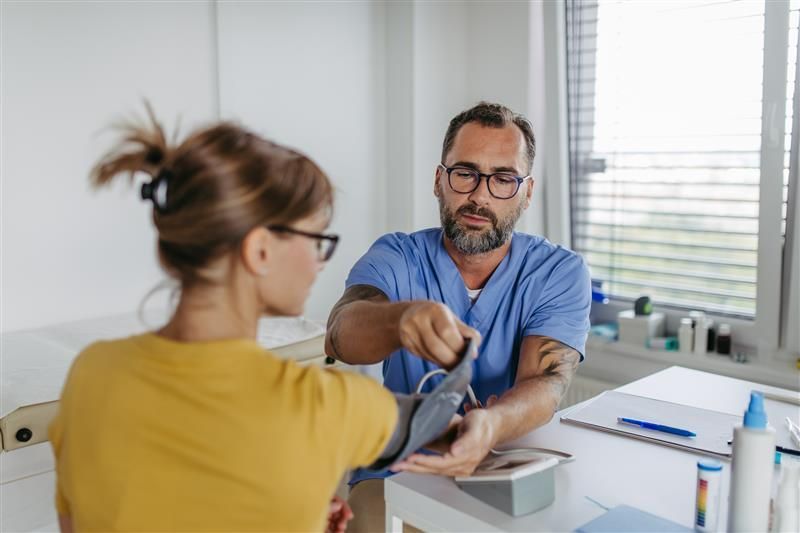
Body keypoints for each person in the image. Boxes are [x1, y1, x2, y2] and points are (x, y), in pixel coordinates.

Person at [48, 108, 401, 532]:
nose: (319, 263)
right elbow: (437, 426)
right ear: (260, 251)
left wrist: (295, 507)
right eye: (317, 240)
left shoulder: (91, 373)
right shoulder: (323, 405)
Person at [326, 101, 592, 531]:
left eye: (503, 179)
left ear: (527, 191)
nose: (480, 195)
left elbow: (545, 383)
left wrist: (489, 426)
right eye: (465, 173)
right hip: (401, 468)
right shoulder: (397, 257)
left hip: (506, 466)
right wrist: (399, 320)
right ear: (439, 180)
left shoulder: (558, 272)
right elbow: (340, 334)